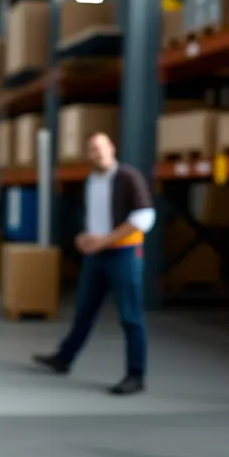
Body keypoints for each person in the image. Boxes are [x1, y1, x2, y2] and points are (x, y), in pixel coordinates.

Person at [32, 132, 154, 395]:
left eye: (101, 147)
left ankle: (136, 375)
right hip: (97, 256)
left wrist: (106, 240)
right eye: (92, 149)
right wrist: (86, 238)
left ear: (111, 148)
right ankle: (64, 358)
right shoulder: (91, 180)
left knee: (131, 316)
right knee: (84, 312)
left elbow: (144, 217)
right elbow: (96, 218)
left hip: (124, 253)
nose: (97, 153)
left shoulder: (127, 177)